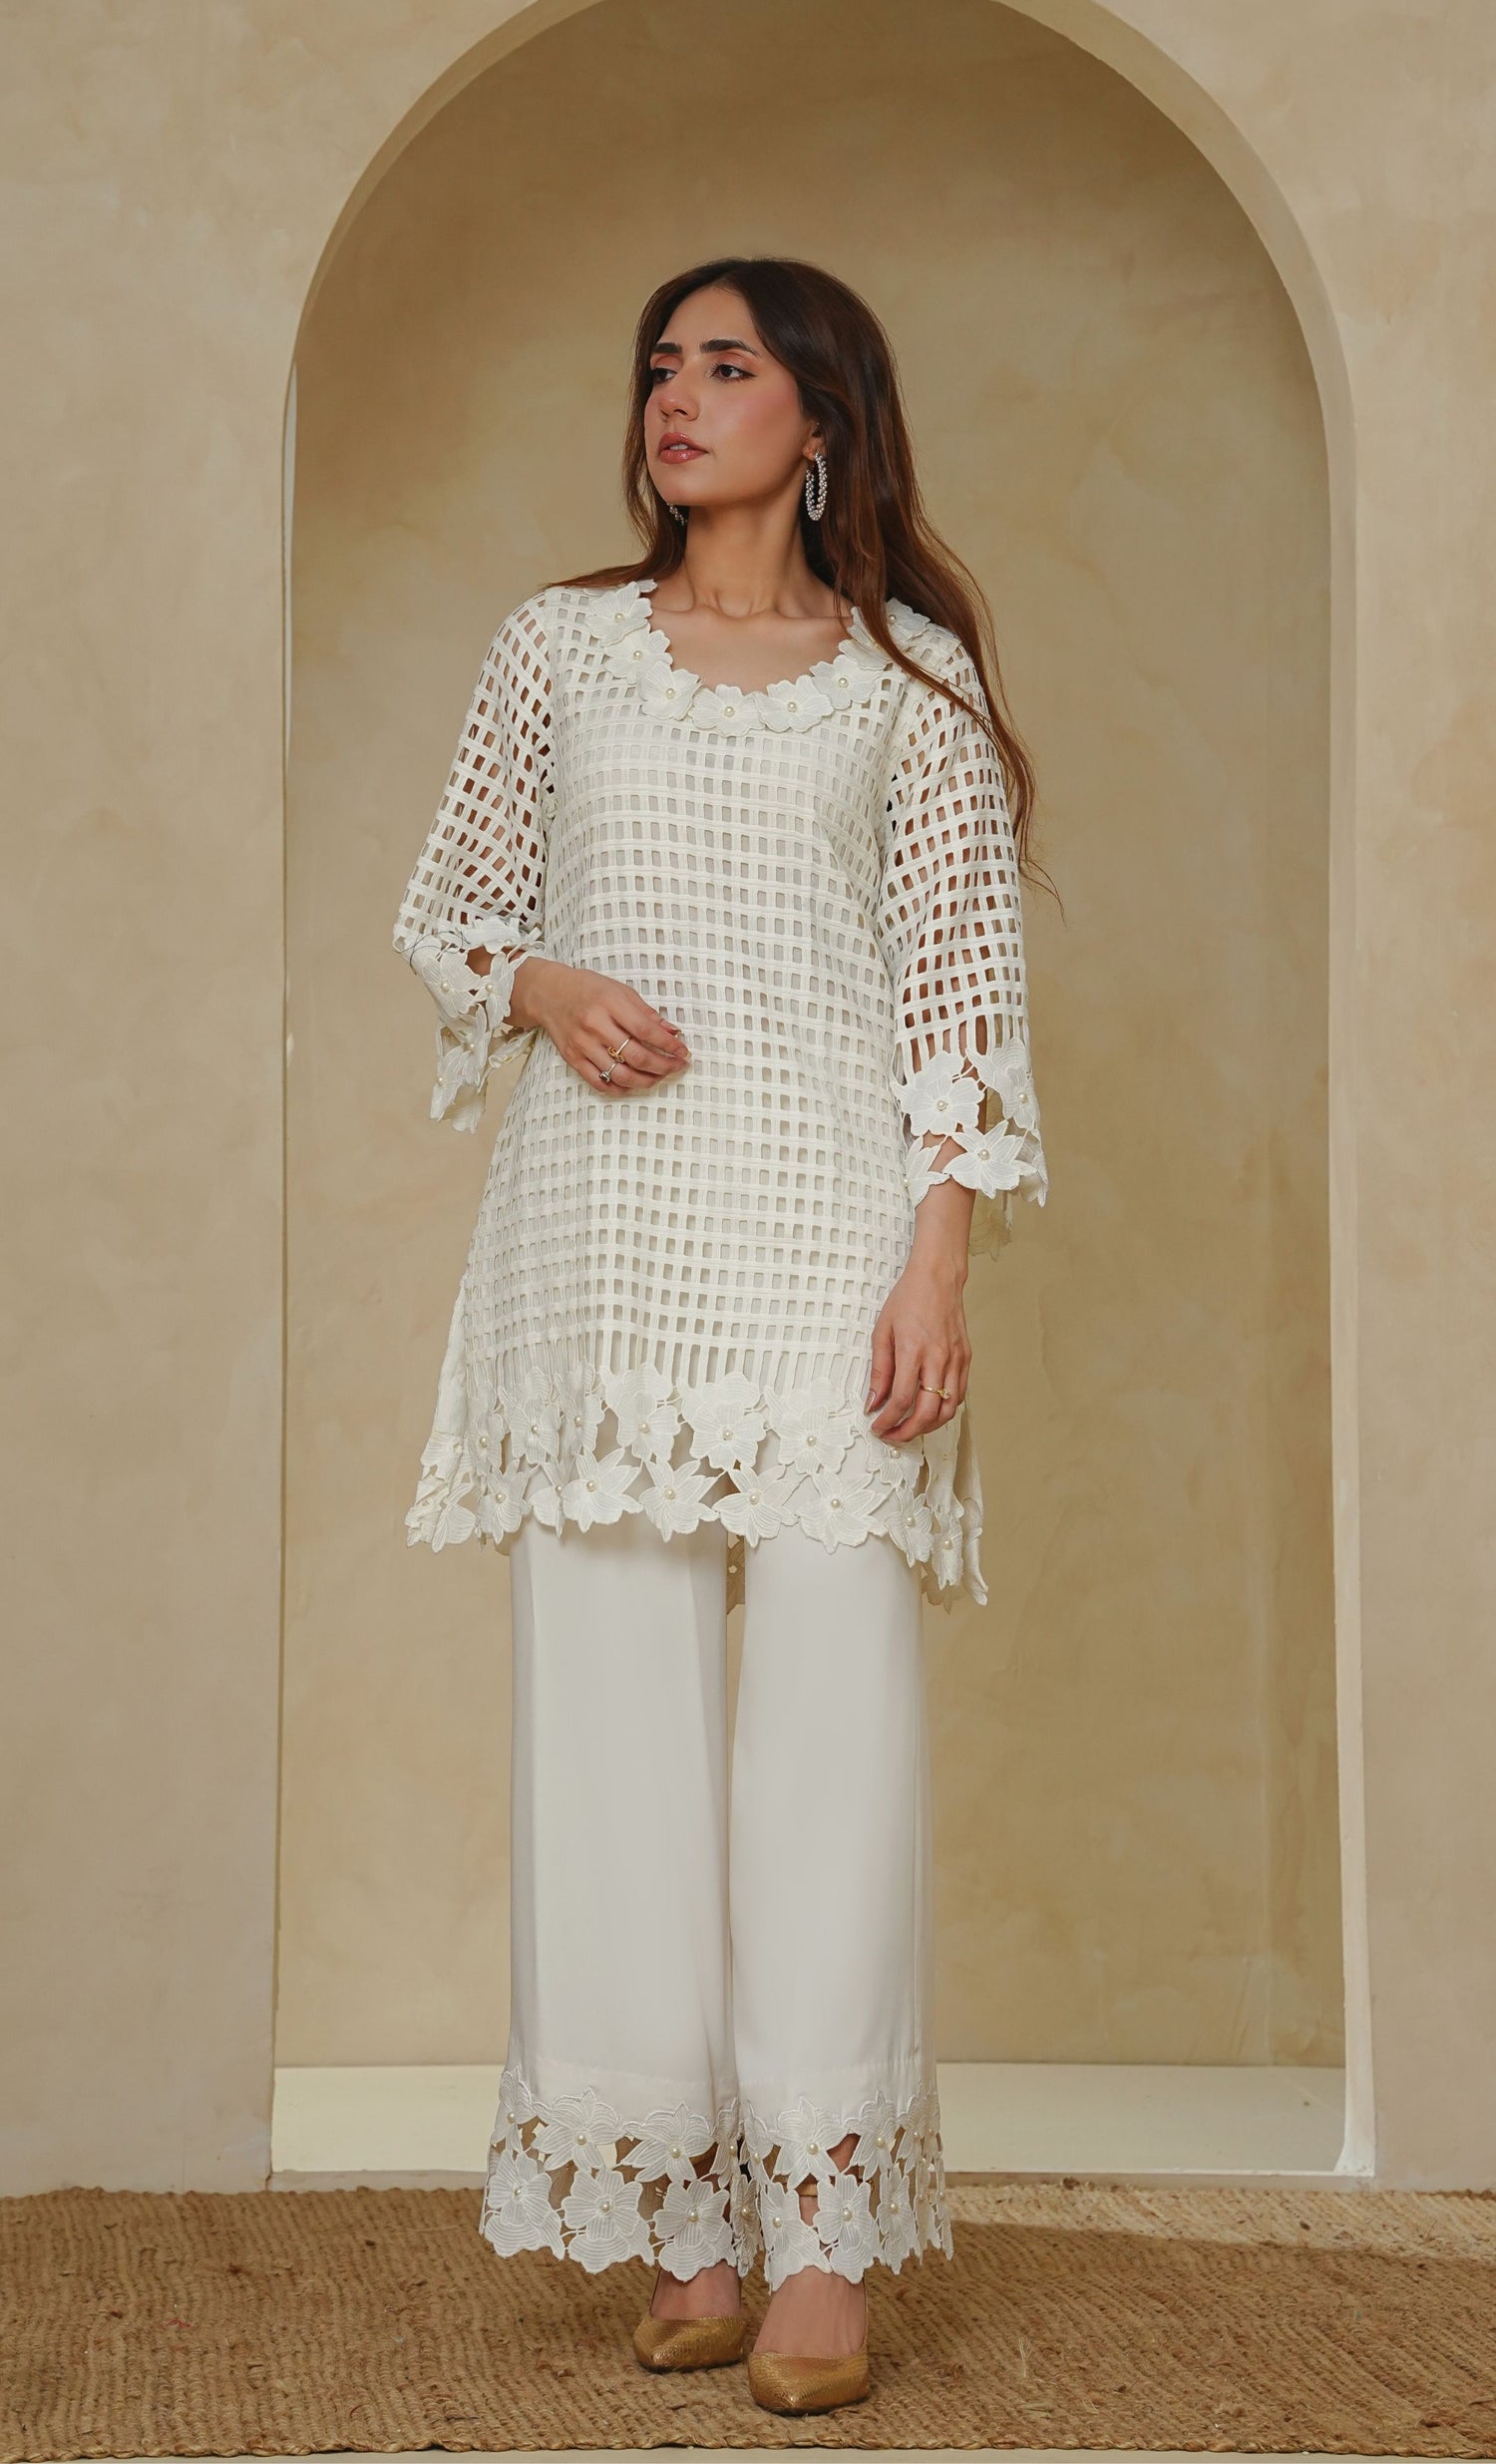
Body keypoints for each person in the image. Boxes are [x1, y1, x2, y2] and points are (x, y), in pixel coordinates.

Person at [391, 255, 1050, 2415]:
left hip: (832, 1245)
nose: (679, 396)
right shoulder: (559, 651)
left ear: (821, 418)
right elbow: (453, 912)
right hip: (602, 1250)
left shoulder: (906, 688)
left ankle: (825, 2232)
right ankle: (683, 2212)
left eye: (729, 365)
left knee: (834, 1731)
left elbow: (961, 1005)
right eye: (660, 366)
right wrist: (547, 985)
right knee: (614, 1731)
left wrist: (938, 1263)